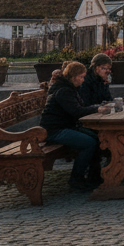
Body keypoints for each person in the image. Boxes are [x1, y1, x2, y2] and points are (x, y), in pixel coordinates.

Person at [39, 61, 106, 191]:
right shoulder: (64, 90)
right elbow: (76, 111)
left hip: (66, 126)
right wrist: (97, 109)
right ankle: (76, 179)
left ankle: (94, 175)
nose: (83, 80)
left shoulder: (69, 88)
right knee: (89, 143)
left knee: (98, 137)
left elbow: (80, 108)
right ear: (73, 76)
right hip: (54, 131)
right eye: (81, 77)